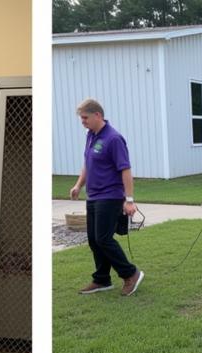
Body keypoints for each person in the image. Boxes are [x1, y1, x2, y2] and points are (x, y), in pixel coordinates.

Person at [70, 99, 143, 297]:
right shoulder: (91, 136)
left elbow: (125, 169)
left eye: (85, 118)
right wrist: (79, 185)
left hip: (110, 196)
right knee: (94, 240)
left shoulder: (114, 139)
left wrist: (129, 200)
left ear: (98, 115)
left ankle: (131, 273)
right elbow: (87, 164)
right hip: (93, 196)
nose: (82, 122)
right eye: (81, 118)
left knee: (103, 238)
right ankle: (102, 279)